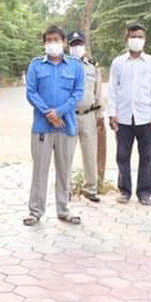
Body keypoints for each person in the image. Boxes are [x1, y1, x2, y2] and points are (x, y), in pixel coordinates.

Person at [23, 26, 84, 226]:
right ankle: (35, 211)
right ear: (44, 43)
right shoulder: (36, 65)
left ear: (64, 42)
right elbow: (31, 92)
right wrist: (48, 113)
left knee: (64, 170)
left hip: (66, 126)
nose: (52, 43)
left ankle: (64, 209)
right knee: (40, 170)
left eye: (56, 39)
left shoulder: (75, 66)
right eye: (48, 40)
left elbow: (78, 93)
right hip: (42, 127)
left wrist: (59, 112)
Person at [107, 23, 151, 205]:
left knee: (147, 156)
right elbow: (112, 89)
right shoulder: (118, 63)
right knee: (122, 156)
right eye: (133, 36)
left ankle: (145, 192)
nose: (136, 40)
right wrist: (112, 114)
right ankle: (124, 190)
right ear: (126, 39)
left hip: (145, 116)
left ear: (145, 39)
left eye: (139, 37)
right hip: (123, 117)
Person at [66, 30, 105, 203]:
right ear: (68, 47)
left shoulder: (92, 66)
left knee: (90, 153)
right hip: (69, 115)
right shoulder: (64, 65)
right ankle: (65, 189)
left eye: (79, 44)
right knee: (66, 153)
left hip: (89, 114)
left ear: (84, 45)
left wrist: (100, 115)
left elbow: (98, 92)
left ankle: (91, 188)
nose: (77, 47)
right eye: (73, 44)